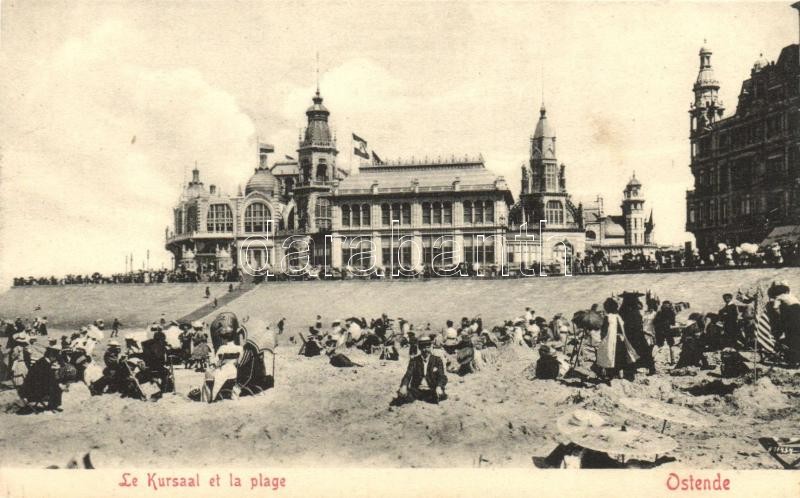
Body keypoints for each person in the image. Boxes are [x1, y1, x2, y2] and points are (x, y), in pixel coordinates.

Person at [392, 336, 447, 405]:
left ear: (431, 347)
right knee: (403, 395)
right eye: (423, 347)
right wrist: (404, 385)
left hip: (431, 390)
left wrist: (439, 387)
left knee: (438, 396)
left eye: (427, 347)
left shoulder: (437, 360)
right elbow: (408, 375)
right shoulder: (414, 361)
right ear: (420, 348)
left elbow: (442, 377)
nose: (425, 350)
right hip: (417, 390)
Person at [596, 298, 638, 381]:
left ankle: (612, 375)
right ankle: (621, 374)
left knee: (611, 356)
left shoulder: (607, 317)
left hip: (611, 340)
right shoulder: (618, 317)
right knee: (620, 357)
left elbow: (604, 331)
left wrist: (602, 339)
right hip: (620, 339)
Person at [619, 292, 655, 375]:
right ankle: (650, 368)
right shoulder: (634, 310)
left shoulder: (624, 309)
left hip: (630, 333)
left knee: (631, 351)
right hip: (637, 333)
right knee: (643, 351)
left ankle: (632, 368)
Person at [21, 344, 64, 412]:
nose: (55, 360)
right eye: (55, 358)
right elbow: (45, 378)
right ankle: (52, 406)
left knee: (56, 386)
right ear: (51, 356)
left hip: (34, 386)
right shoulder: (43, 364)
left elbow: (46, 377)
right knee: (56, 388)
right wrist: (57, 383)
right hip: (33, 389)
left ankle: (53, 405)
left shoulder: (43, 361)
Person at [769, 281, 800, 365]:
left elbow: (775, 308)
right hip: (798, 315)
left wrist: (780, 317)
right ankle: (797, 359)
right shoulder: (792, 296)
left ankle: (793, 360)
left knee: (790, 337)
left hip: (791, 317)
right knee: (797, 337)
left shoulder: (778, 297)